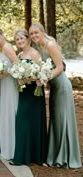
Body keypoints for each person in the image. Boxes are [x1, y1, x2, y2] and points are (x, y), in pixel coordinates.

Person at [29, 23, 82, 168]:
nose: (33, 36)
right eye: (31, 34)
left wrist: (46, 78)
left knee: (62, 120)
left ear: (42, 31)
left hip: (62, 87)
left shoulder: (50, 44)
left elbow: (61, 67)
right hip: (54, 88)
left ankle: (63, 158)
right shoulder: (40, 47)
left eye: (36, 32)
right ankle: (55, 155)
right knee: (56, 120)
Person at [9, 29, 47, 166]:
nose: (19, 41)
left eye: (21, 38)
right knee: (22, 121)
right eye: (17, 39)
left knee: (34, 122)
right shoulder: (19, 55)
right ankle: (22, 156)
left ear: (28, 39)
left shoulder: (35, 53)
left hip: (35, 92)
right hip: (24, 93)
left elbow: (41, 73)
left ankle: (37, 157)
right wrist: (19, 79)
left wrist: (26, 79)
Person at [0, 28, 19, 160]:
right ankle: (6, 146)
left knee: (10, 111)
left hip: (10, 83)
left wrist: (3, 74)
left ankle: (13, 149)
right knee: (6, 112)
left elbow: (16, 64)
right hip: (4, 83)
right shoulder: (1, 49)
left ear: (2, 35)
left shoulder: (7, 47)